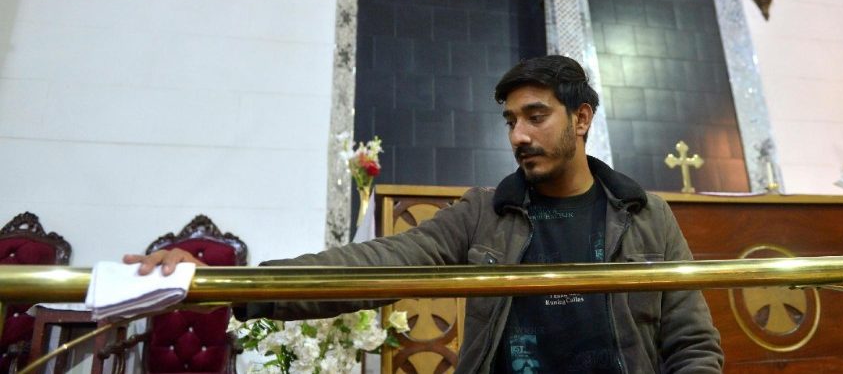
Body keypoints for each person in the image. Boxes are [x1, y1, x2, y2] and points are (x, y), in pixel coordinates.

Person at [127, 55, 724, 373]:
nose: (518, 135)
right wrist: (223, 286)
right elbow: (374, 264)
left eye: (535, 116)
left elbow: (692, 343)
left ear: (582, 118)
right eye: (510, 121)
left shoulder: (645, 215)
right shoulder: (487, 213)